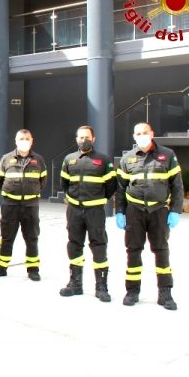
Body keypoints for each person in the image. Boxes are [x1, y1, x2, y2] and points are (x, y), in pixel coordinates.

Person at [115, 122, 184, 311]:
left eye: (145, 132)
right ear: (134, 136)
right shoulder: (127, 159)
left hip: (159, 211)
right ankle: (132, 291)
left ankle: (165, 293)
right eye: (138, 133)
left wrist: (175, 210)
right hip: (134, 211)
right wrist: (119, 211)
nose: (142, 136)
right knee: (133, 251)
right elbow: (120, 188)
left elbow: (177, 185)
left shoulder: (167, 155)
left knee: (161, 251)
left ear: (152, 133)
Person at [58, 125, 116, 303]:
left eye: (87, 137)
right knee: (74, 244)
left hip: (95, 211)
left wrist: (97, 201)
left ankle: (101, 286)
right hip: (74, 210)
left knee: (99, 245)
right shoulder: (69, 159)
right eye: (81, 137)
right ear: (76, 139)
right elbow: (64, 184)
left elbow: (111, 186)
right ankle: (75, 284)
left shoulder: (104, 160)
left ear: (94, 139)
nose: (84, 140)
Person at [0, 129, 47, 281]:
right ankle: (1, 268)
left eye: (27, 138)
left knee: (32, 238)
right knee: (7, 238)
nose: (24, 141)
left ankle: (33, 270)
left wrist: (30, 192)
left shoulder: (38, 160)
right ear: (16, 140)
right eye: (21, 138)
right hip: (10, 205)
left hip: (30, 206)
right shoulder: (6, 159)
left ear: (32, 140)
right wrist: (11, 193)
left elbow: (43, 181)